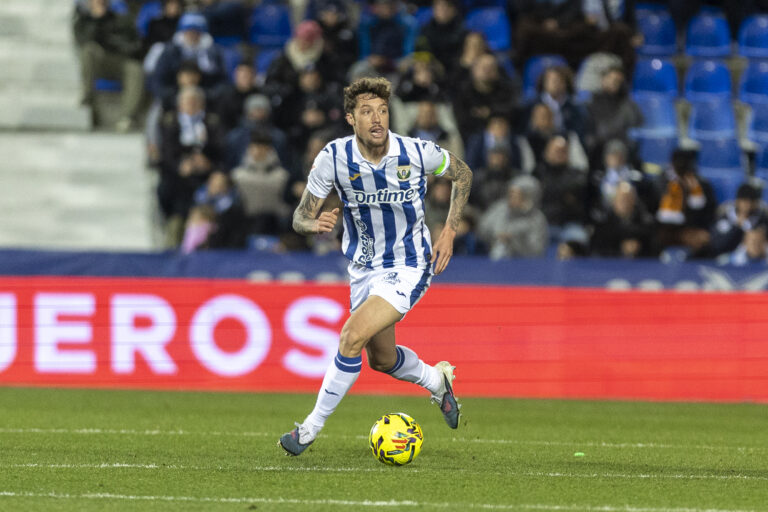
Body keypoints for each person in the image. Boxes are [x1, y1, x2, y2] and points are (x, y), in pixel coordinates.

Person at [278, 77, 473, 456]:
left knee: (351, 336)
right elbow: (299, 216)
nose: (377, 119)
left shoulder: (416, 152)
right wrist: (312, 225)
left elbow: (462, 173)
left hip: (410, 264)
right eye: (367, 111)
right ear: (351, 118)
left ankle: (308, 430)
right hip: (363, 269)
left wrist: (449, 231)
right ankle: (437, 381)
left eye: (382, 110)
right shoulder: (333, 158)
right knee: (382, 359)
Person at [74, 0, 144, 131]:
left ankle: (128, 117)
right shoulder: (83, 21)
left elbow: (134, 45)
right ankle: (87, 100)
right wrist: (97, 19)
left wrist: (111, 42)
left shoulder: (121, 19)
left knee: (135, 69)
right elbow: (84, 42)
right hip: (99, 62)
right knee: (89, 51)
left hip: (120, 61)